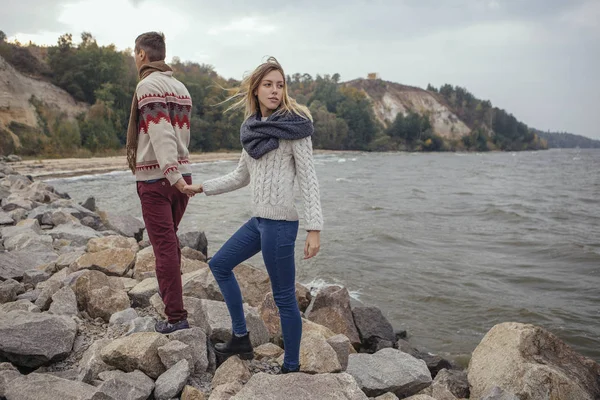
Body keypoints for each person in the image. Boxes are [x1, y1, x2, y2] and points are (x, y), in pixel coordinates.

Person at [184, 57, 323, 373]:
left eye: (280, 85)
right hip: (259, 221)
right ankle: (241, 339)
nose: (275, 91)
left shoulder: (296, 127)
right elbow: (240, 175)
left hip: (281, 225)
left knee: (284, 298)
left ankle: (291, 367)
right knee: (219, 264)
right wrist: (203, 188)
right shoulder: (251, 129)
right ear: (256, 89)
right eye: (268, 84)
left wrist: (314, 228)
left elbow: (309, 178)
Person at [126, 31, 194, 334]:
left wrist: (172, 175)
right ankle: (174, 303)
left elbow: (161, 132)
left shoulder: (148, 85)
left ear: (142, 54)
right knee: (170, 244)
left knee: (164, 247)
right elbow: (180, 136)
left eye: (134, 53)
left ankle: (176, 317)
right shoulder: (181, 87)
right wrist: (180, 176)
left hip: (159, 178)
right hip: (181, 176)